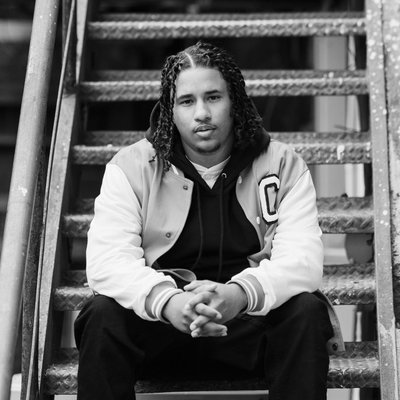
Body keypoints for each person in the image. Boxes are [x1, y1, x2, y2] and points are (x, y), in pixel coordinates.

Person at [74, 41, 343, 400]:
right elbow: (107, 262)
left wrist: (238, 295)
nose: (201, 113)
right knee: (102, 313)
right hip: (162, 332)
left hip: (248, 329)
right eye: (187, 101)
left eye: (213, 97)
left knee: (306, 310)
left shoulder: (282, 165)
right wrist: (168, 302)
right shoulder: (131, 167)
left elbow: (303, 260)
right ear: (170, 111)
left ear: (235, 102)